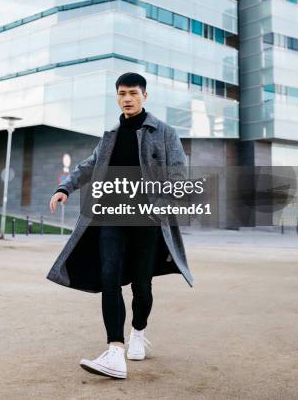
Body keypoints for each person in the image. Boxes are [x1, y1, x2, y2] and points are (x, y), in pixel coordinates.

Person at [48, 72, 193, 379]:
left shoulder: (164, 133)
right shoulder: (111, 134)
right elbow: (89, 165)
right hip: (110, 215)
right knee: (109, 276)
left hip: (146, 219)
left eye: (133, 93)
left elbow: (179, 175)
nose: (127, 98)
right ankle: (115, 350)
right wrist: (65, 188)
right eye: (122, 93)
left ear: (144, 96)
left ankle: (138, 332)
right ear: (117, 97)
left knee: (142, 284)